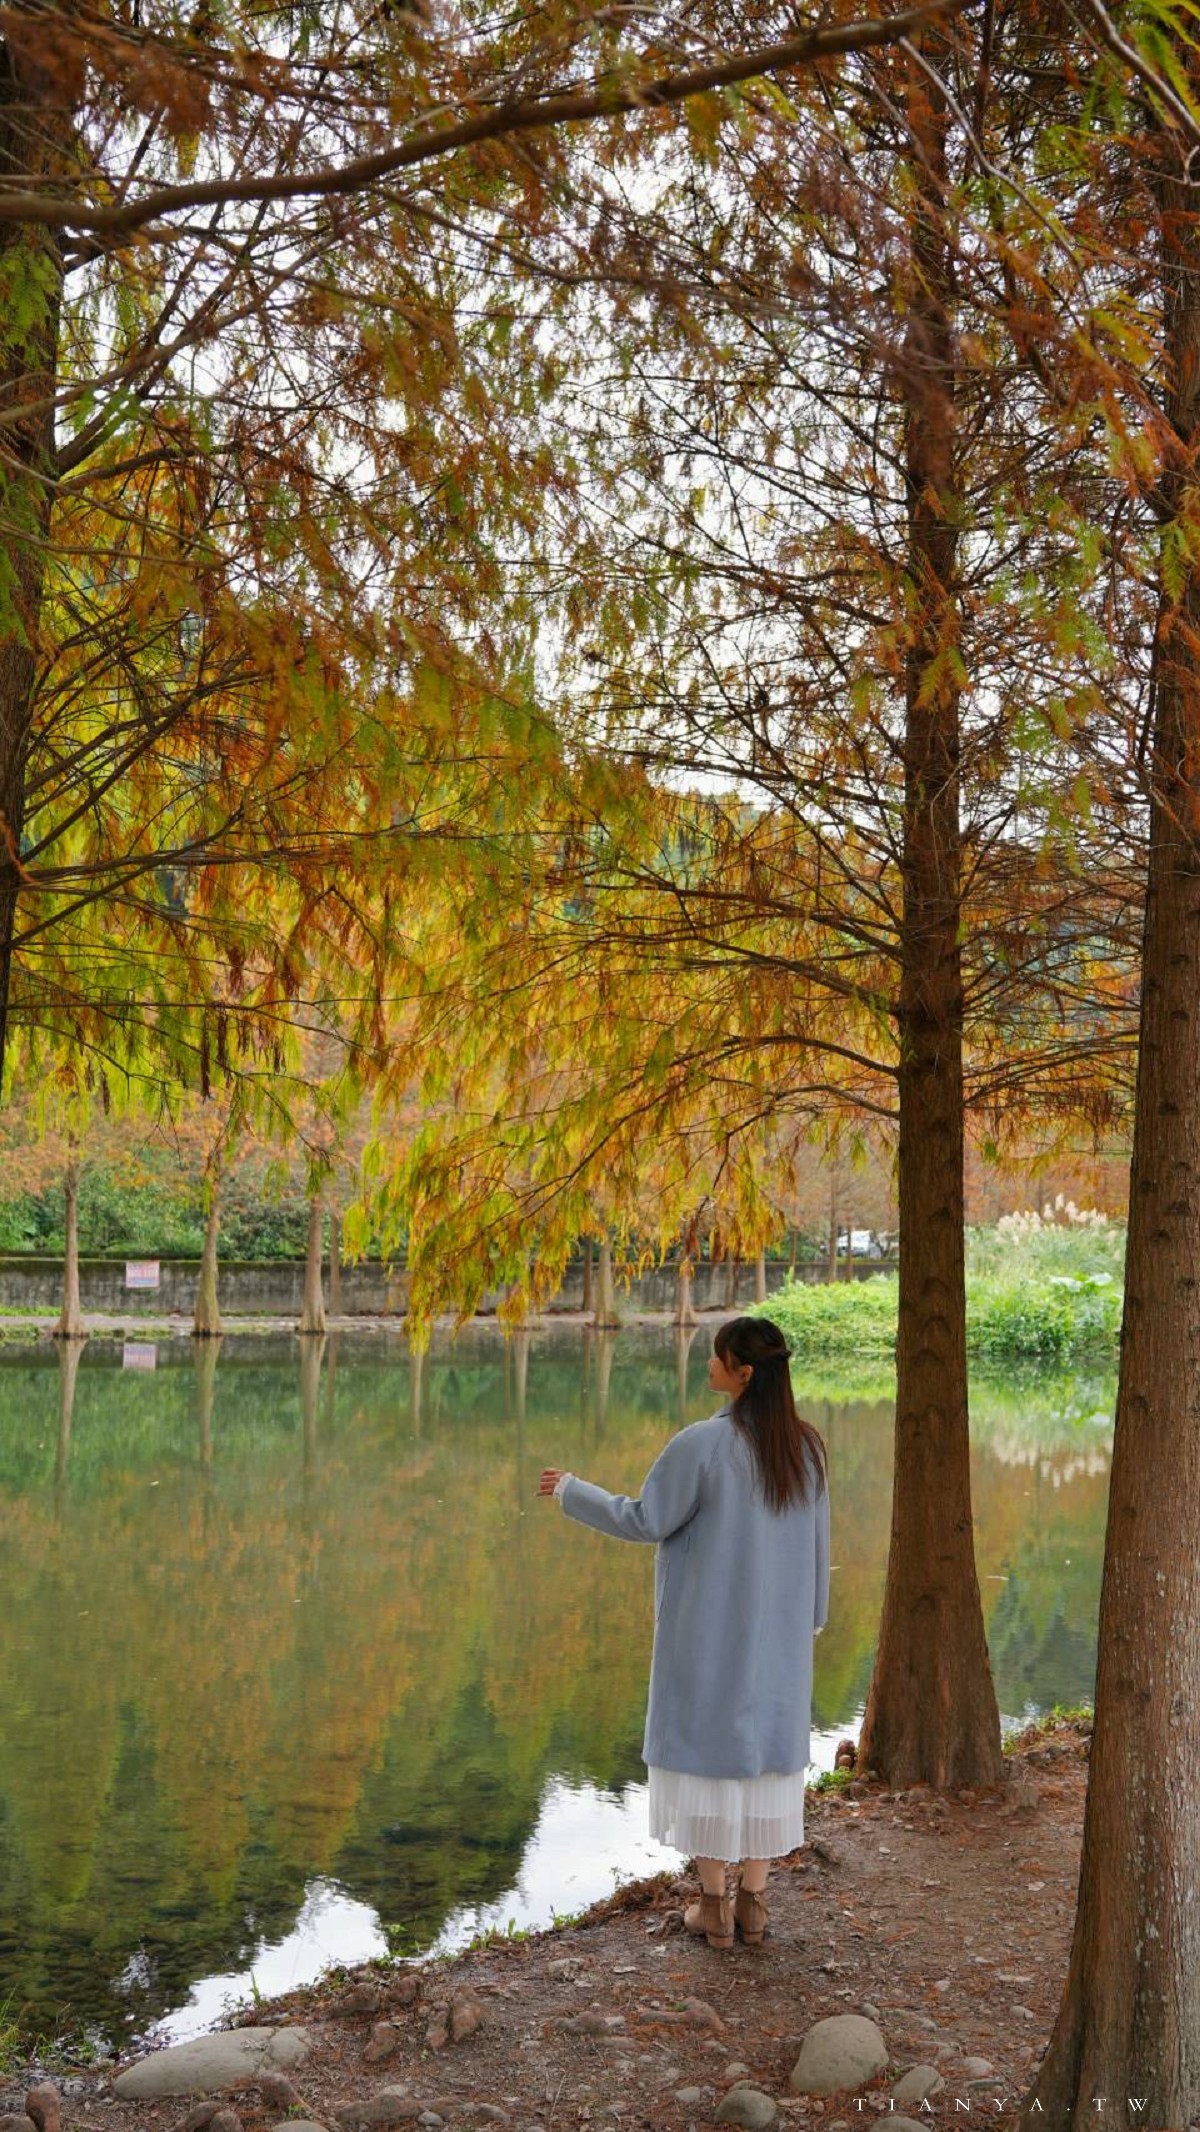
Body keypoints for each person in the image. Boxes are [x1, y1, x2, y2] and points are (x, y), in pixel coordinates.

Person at [537, 1314, 830, 1951]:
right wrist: (811, 1618)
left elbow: (645, 1519)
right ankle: (754, 1905)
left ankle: (714, 1907)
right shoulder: (805, 1448)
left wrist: (570, 1491)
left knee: (707, 1756)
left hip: (708, 1632)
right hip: (779, 1638)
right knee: (765, 1764)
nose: (707, 1365)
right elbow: (816, 1545)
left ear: (743, 1374)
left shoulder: (701, 1444)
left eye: (717, 1357)